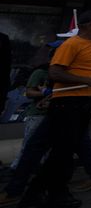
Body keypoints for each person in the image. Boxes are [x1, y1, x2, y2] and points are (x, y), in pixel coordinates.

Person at [18, 10, 91, 208]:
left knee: (62, 150)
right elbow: (55, 71)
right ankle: (57, 194)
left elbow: (90, 70)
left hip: (82, 102)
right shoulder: (72, 44)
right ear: (89, 24)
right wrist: (89, 81)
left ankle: (33, 193)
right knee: (63, 152)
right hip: (68, 103)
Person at [9, 41, 56, 170]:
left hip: (54, 114)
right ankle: (18, 169)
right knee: (30, 144)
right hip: (37, 115)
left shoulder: (63, 74)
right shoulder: (41, 72)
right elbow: (29, 92)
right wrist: (44, 92)